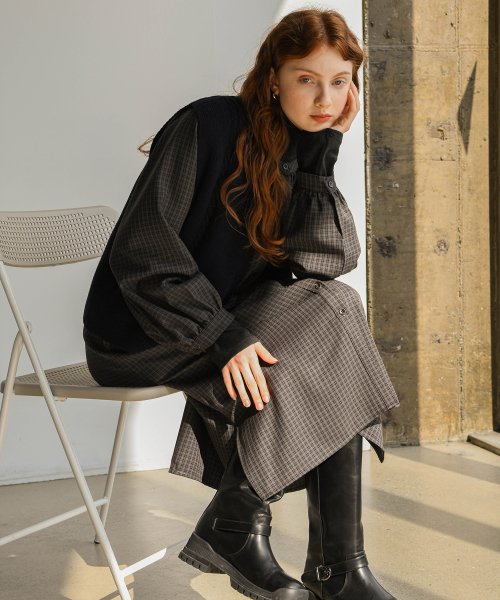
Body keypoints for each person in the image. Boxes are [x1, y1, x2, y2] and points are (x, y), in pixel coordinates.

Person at [83, 8, 400, 600]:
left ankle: (295, 549)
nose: (324, 99)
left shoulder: (305, 144)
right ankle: (313, 560)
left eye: (339, 82)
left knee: (335, 305)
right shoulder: (207, 124)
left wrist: (324, 151)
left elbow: (326, 262)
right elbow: (142, 252)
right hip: (139, 333)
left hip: (220, 319)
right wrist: (224, 337)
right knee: (326, 347)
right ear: (273, 77)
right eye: (306, 79)